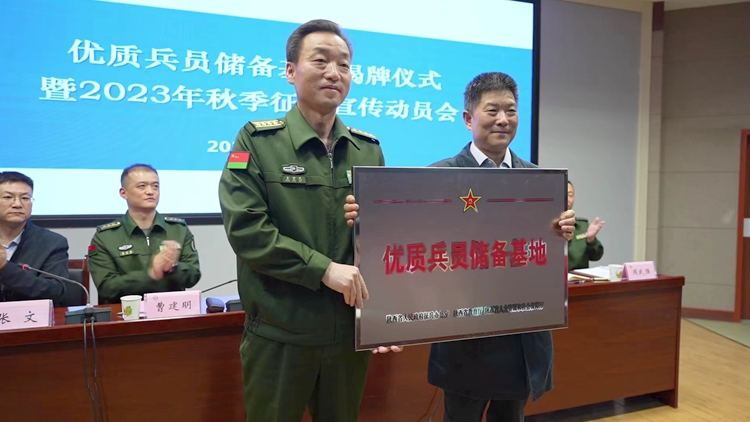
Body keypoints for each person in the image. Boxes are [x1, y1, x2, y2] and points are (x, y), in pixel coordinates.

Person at [344, 72, 576, 422]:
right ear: (468, 118)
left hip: (522, 340)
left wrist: (561, 235)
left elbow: (541, 260)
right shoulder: (437, 178)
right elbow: (402, 250)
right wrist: (367, 218)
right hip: (463, 343)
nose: (503, 119)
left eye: (511, 111)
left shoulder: (539, 182)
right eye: (492, 110)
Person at [218, 19, 401, 422]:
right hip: (280, 334)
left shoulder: (368, 150)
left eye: (344, 64)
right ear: (290, 71)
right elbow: (248, 231)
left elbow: (380, 240)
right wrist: (324, 270)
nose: (334, 72)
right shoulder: (257, 142)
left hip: (347, 336)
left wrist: (384, 315)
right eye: (320, 61)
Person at [88, 164, 201, 304]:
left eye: (155, 186)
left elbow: (193, 276)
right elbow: (106, 287)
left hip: (171, 310)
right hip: (126, 312)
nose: (150, 191)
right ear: (123, 193)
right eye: (142, 186)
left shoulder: (178, 229)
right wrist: (151, 274)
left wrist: (172, 267)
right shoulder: (105, 236)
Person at [0, 171, 70, 304]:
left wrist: (5, 268)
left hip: (29, 315)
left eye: (25, 198)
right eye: (8, 197)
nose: (17, 204)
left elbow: (55, 291)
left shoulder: (52, 243)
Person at [567, 180, 604, 270]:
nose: (567, 199)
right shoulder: (542, 226)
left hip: (578, 278)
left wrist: (591, 240)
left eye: (570, 195)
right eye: (562, 194)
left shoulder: (582, 226)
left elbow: (596, 256)